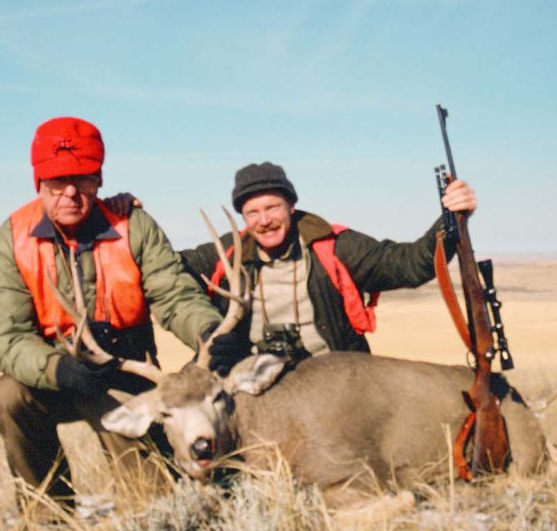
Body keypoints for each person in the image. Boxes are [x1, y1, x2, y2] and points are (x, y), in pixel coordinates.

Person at [0, 116, 222, 515]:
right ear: (39, 184)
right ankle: (48, 517)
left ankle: (151, 520)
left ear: (99, 180)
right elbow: (6, 338)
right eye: (57, 182)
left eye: (83, 179)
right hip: (53, 371)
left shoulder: (133, 226)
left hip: (122, 370)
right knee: (7, 396)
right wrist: (57, 369)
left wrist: (209, 330)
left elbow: (174, 294)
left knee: (153, 502)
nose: (71, 193)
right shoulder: (11, 239)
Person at [181, 161, 478, 375]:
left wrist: (450, 221)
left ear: (291, 207)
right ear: (243, 217)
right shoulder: (227, 252)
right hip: (250, 382)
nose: (264, 220)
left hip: (333, 382)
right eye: (252, 213)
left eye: (273, 208)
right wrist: (133, 217)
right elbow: (163, 267)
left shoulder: (333, 245)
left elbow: (410, 264)